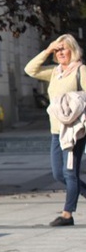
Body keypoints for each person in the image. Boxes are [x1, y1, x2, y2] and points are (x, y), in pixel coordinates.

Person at [25, 34, 86, 227]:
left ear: (73, 50)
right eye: (57, 50)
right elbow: (30, 69)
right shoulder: (54, 72)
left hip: (74, 131)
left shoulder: (81, 70)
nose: (60, 53)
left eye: (63, 49)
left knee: (70, 173)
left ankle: (67, 214)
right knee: (58, 174)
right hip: (56, 131)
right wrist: (47, 49)